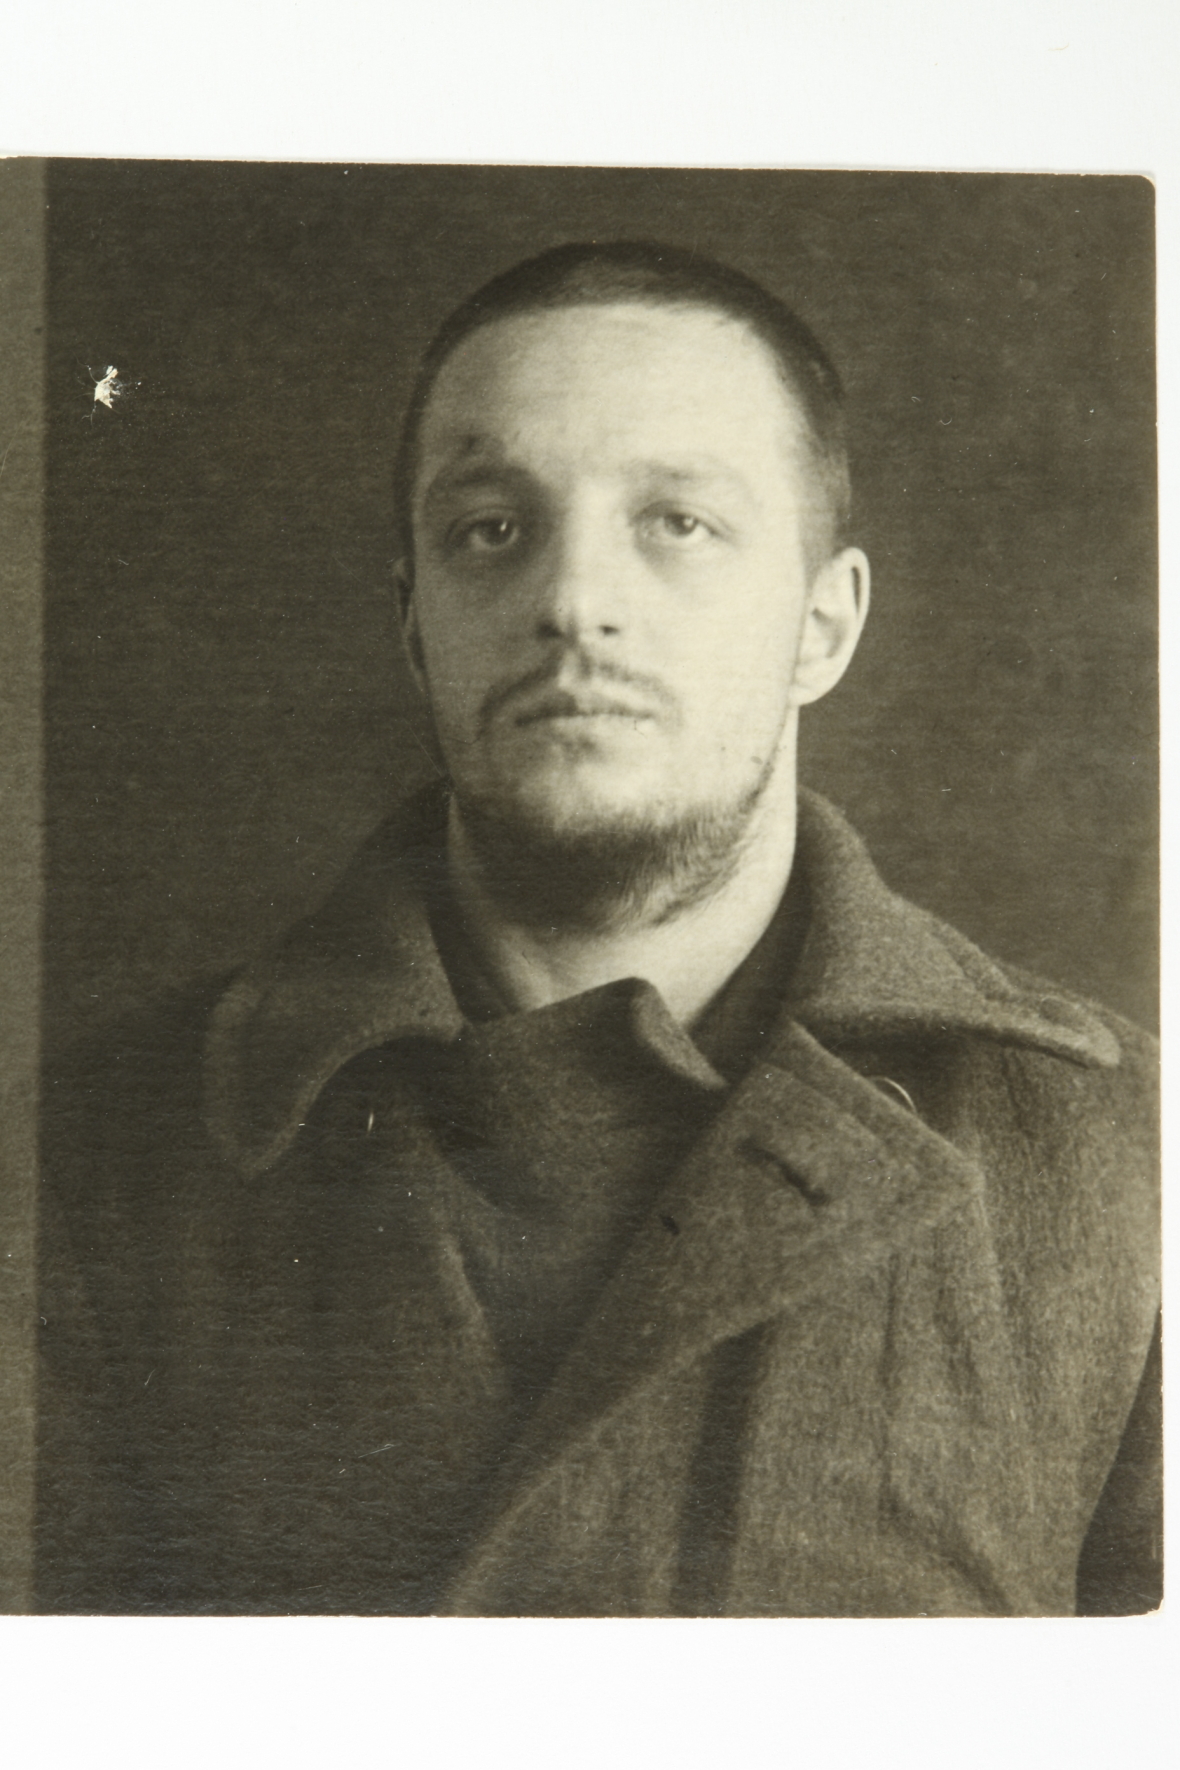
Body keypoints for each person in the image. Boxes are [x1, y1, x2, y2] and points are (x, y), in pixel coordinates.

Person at [37, 241, 1159, 1617]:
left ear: (822, 625)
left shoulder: (1122, 1161)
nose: (573, 602)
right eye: (490, 529)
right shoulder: (83, 1166)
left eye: (677, 522)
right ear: (415, 625)